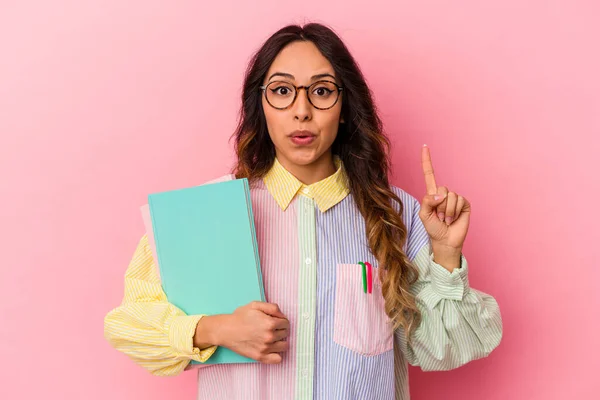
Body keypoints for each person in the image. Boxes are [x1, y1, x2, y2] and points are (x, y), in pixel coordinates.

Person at [104, 22, 503, 400]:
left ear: (345, 106)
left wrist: (446, 256)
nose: (302, 111)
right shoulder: (206, 213)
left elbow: (443, 349)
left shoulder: (396, 215)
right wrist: (216, 329)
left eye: (322, 91)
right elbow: (130, 323)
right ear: (260, 105)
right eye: (281, 91)